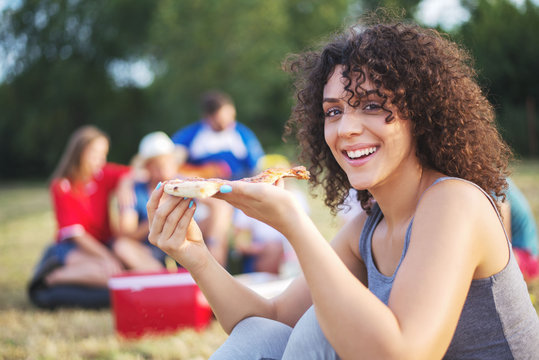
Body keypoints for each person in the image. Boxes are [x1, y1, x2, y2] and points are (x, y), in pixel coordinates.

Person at [146, 16, 539, 359]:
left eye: (370, 105)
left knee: (323, 323)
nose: (346, 128)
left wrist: (294, 225)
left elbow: (403, 354)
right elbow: (271, 323)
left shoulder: (454, 202)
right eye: (333, 111)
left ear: (419, 115)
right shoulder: (368, 229)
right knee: (262, 333)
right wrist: (193, 254)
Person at [28, 125, 149, 309]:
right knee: (109, 272)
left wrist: (124, 184)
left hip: (101, 242)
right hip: (74, 247)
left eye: (104, 154)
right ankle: (53, 277)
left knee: (121, 266)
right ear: (79, 153)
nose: (101, 160)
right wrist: (106, 256)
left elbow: (136, 173)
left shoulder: (100, 175)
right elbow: (77, 234)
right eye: (95, 154)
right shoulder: (62, 186)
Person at [171, 90, 265, 266]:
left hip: (238, 193)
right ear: (208, 118)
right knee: (218, 211)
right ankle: (216, 265)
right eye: (221, 119)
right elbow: (170, 167)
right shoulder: (192, 136)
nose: (228, 122)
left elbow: (258, 168)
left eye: (230, 115)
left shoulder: (242, 135)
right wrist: (204, 173)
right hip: (204, 196)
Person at [232, 154, 308, 276]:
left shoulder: (297, 197)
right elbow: (241, 243)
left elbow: (305, 231)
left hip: (292, 252)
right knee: (274, 248)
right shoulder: (249, 201)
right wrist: (262, 248)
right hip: (262, 254)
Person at [116, 131, 182, 269]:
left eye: (168, 162)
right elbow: (126, 235)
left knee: (219, 214)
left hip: (180, 245)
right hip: (148, 251)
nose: (165, 168)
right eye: (158, 164)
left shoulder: (182, 185)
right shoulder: (135, 192)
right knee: (122, 247)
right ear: (147, 167)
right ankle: (162, 279)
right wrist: (155, 219)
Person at [500, 177, 539, 282]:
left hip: (526, 260)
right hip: (528, 257)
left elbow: (503, 247)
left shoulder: (491, 185)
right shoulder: (494, 177)